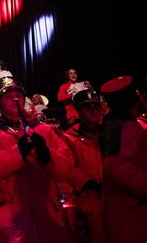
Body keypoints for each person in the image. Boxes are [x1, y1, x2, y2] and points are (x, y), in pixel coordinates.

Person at [0, 76, 74, 243]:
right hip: (8, 223)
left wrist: (47, 155)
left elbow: (67, 170)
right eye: (7, 97)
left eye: (18, 96)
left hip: (46, 219)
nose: (14, 100)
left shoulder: (44, 130)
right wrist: (18, 153)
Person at [99, 75, 147, 243]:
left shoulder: (112, 124)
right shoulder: (127, 126)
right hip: (128, 206)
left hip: (120, 205)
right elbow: (119, 168)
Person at [63, 89, 105, 243]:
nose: (94, 110)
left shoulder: (109, 133)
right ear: (79, 111)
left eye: (96, 106)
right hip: (86, 203)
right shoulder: (68, 137)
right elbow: (67, 168)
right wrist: (87, 182)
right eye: (88, 107)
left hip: (112, 199)